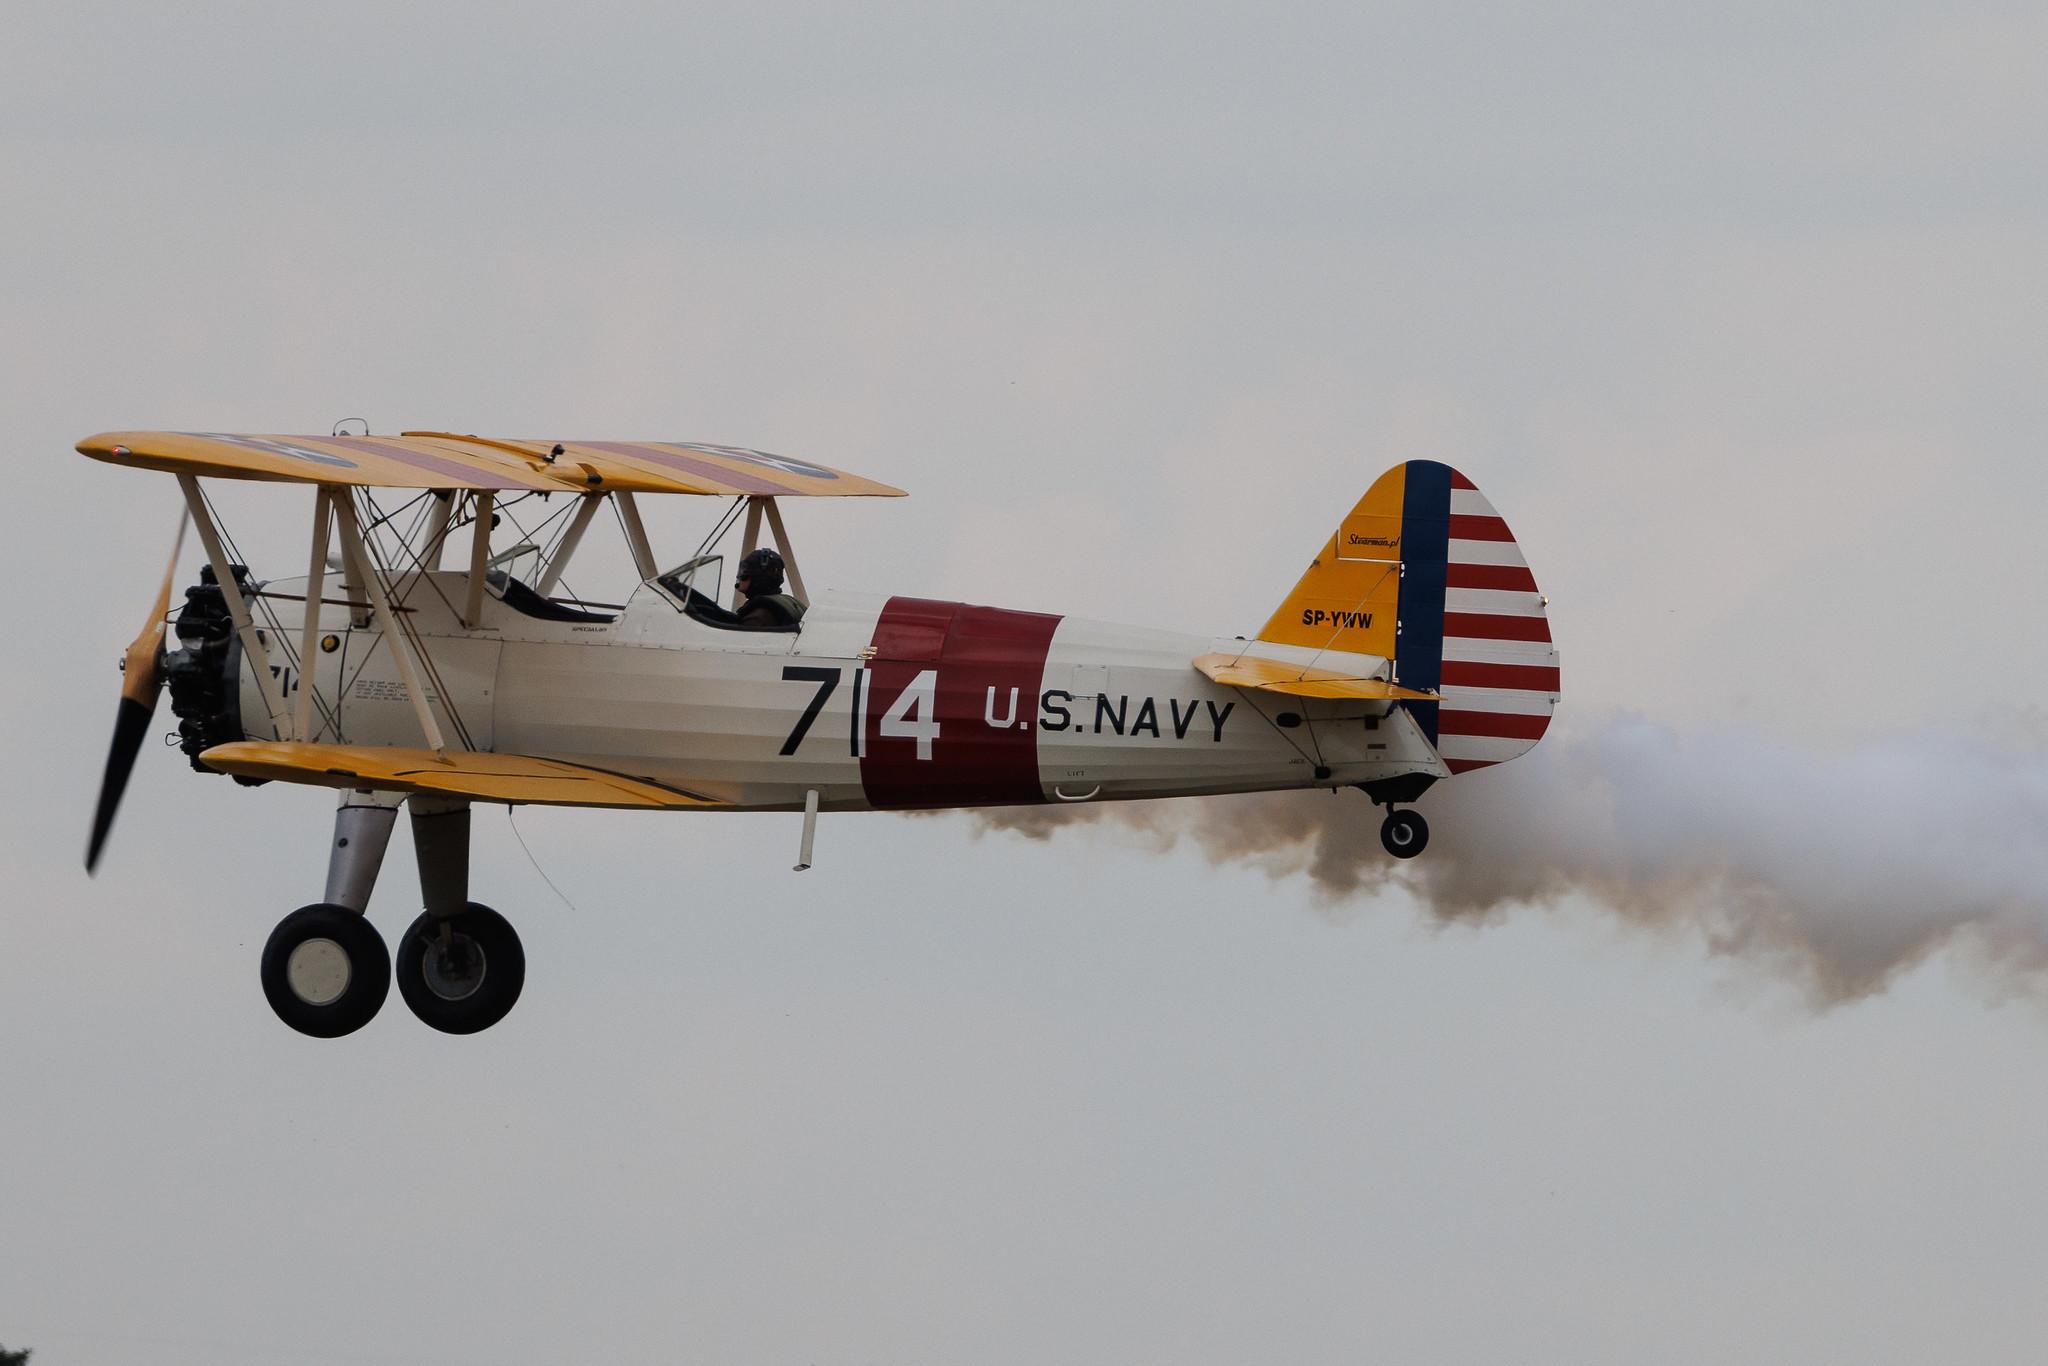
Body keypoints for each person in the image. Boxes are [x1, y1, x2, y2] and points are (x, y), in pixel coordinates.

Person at [733, 547, 806, 629]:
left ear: (758, 578)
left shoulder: (757, 619)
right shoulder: (788, 603)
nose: (738, 576)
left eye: (744, 572)